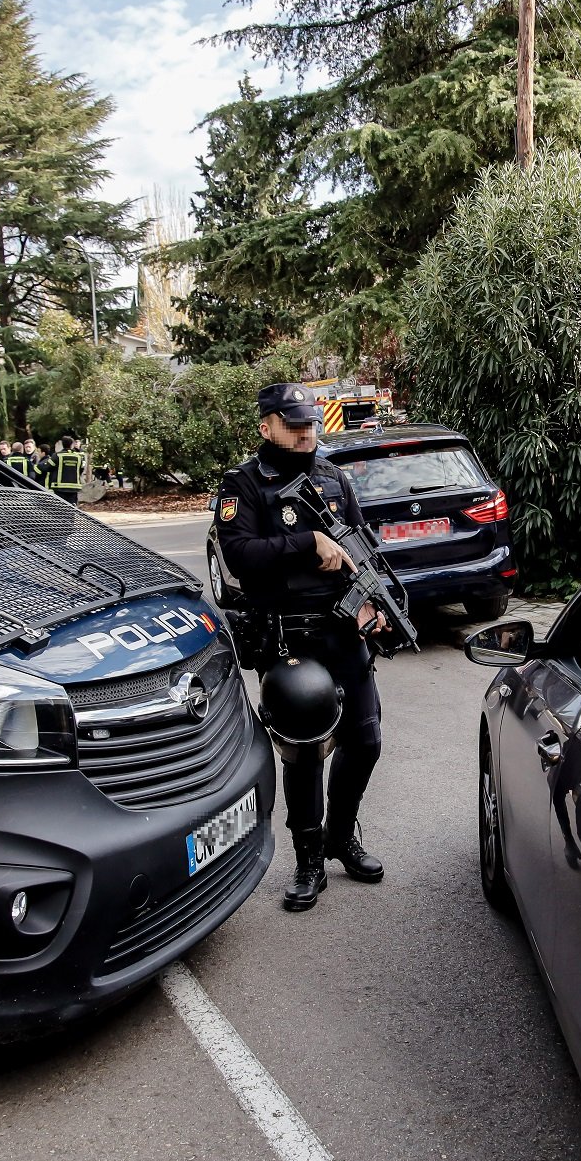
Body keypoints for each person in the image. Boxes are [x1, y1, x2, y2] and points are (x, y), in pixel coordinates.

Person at [215, 382, 390, 911]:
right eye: (292, 425)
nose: (305, 432)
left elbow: (364, 547)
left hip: (342, 631)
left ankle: (341, 837)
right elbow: (239, 553)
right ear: (266, 426)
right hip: (290, 638)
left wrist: (374, 602)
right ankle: (309, 859)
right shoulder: (243, 485)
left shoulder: (332, 477)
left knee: (366, 740)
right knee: (306, 751)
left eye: (310, 423)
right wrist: (307, 544)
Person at [50, 436, 87, 504]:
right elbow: (81, 469)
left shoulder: (57, 456)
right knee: (71, 509)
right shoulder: (78, 457)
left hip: (59, 488)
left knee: (60, 509)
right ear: (72, 445)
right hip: (74, 488)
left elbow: (48, 467)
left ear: (62, 445)